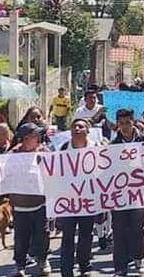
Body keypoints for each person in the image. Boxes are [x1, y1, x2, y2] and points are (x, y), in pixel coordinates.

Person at [57, 119, 102, 277]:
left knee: (85, 235)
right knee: (67, 236)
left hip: (88, 201)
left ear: (87, 131)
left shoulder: (97, 148)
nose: (77, 129)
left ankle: (84, 266)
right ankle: (66, 271)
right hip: (68, 202)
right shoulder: (63, 149)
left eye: (81, 126)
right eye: (74, 126)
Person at [9, 123, 51, 277]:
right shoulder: (13, 154)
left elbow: (54, 169)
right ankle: (19, 264)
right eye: (35, 135)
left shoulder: (44, 151)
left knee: (43, 234)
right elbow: (5, 175)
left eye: (38, 135)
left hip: (40, 203)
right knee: (21, 237)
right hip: (20, 205)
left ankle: (43, 260)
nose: (38, 138)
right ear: (26, 139)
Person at [110, 109, 144, 276]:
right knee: (118, 231)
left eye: (127, 122)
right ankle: (120, 266)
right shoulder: (113, 146)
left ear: (133, 122)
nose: (125, 126)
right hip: (119, 195)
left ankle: (138, 258)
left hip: (139, 195)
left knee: (138, 230)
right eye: (121, 123)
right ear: (117, 124)